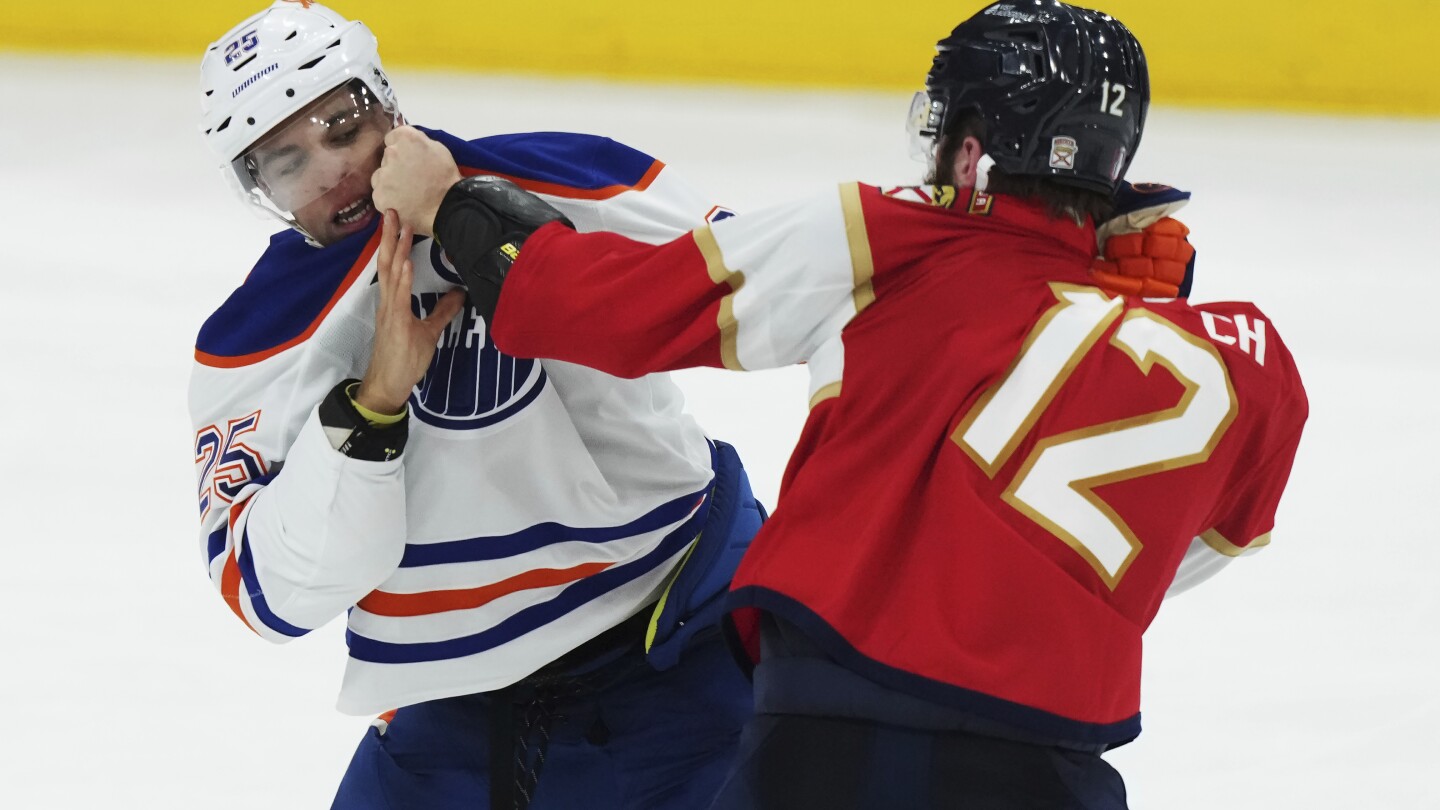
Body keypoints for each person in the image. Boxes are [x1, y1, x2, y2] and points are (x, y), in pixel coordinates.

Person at [371, 2, 1309, 807]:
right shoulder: (1247, 362)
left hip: (829, 732)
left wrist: (455, 206)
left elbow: (618, 312)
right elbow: (1188, 550)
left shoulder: (885, 237)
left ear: (973, 147)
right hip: (1052, 758)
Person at [188, 3, 769, 808]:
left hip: (680, 638)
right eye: (287, 162)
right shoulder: (262, 335)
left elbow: (763, 289)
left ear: (387, 98)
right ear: (261, 191)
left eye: (342, 124)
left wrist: (486, 228)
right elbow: (271, 597)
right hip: (456, 708)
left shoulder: (564, 176)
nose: (331, 170)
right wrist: (374, 407)